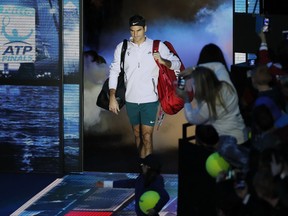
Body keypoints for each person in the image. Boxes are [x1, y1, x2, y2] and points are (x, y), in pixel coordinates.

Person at [108, 14, 181, 159]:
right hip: (131, 99)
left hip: (150, 99)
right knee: (137, 136)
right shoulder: (122, 47)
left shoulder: (157, 46)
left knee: (147, 136)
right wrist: (112, 96)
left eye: (139, 30)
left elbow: (177, 63)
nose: (135, 34)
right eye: (132, 30)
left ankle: (148, 174)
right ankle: (143, 168)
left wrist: (163, 60)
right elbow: (114, 71)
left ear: (145, 28)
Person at [176, 66, 248, 146]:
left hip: (229, 143)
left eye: (194, 84)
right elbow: (219, 66)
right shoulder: (226, 85)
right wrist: (194, 69)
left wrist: (185, 99)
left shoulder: (208, 106)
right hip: (242, 134)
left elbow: (192, 118)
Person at [96, 154, 170, 216]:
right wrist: (106, 184)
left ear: (148, 167)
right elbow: (127, 183)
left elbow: (165, 196)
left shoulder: (156, 180)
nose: (142, 166)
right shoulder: (142, 178)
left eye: (143, 165)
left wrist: (155, 209)